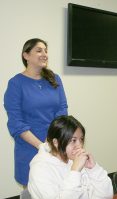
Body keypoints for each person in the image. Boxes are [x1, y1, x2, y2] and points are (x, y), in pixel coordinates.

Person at [4, 38, 68, 186]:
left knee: (60, 197)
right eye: (39, 50)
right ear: (26, 56)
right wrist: (42, 146)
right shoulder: (16, 83)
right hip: (30, 149)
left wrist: (53, 140)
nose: (44, 54)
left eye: (46, 50)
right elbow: (16, 123)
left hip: (56, 144)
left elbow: (62, 108)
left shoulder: (54, 79)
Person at [28, 115, 114, 199]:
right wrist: (75, 172)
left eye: (81, 139)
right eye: (73, 140)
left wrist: (93, 169)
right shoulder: (40, 168)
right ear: (56, 142)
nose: (79, 146)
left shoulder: (73, 159)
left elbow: (106, 196)